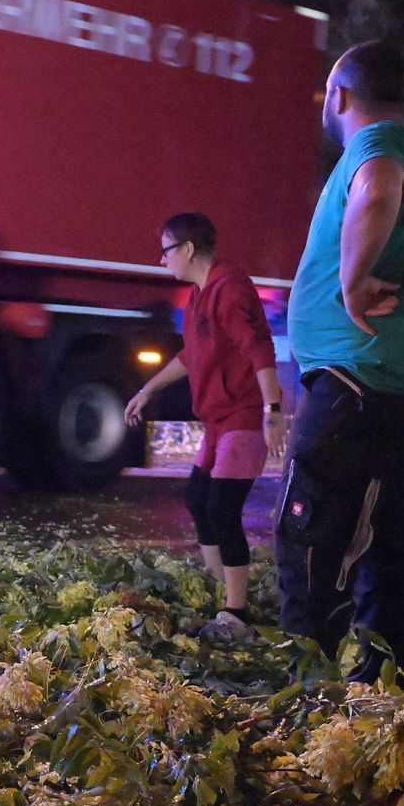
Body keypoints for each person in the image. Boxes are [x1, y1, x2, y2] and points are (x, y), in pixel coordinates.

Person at [279, 40, 404, 686]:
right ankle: (389, 688)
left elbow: (377, 189)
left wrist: (353, 278)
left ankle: (309, 692)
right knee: (389, 544)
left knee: (313, 538)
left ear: (341, 96)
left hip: (356, 376)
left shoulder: (377, 143)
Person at [124, 213, 286, 642]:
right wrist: (148, 390)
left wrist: (273, 410)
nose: (162, 261)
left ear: (188, 250)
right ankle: (225, 592)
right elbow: (189, 357)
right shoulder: (199, 295)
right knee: (198, 498)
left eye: (166, 250)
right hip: (217, 419)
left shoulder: (230, 290)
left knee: (222, 509)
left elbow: (259, 348)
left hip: (245, 415)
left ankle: (237, 614)